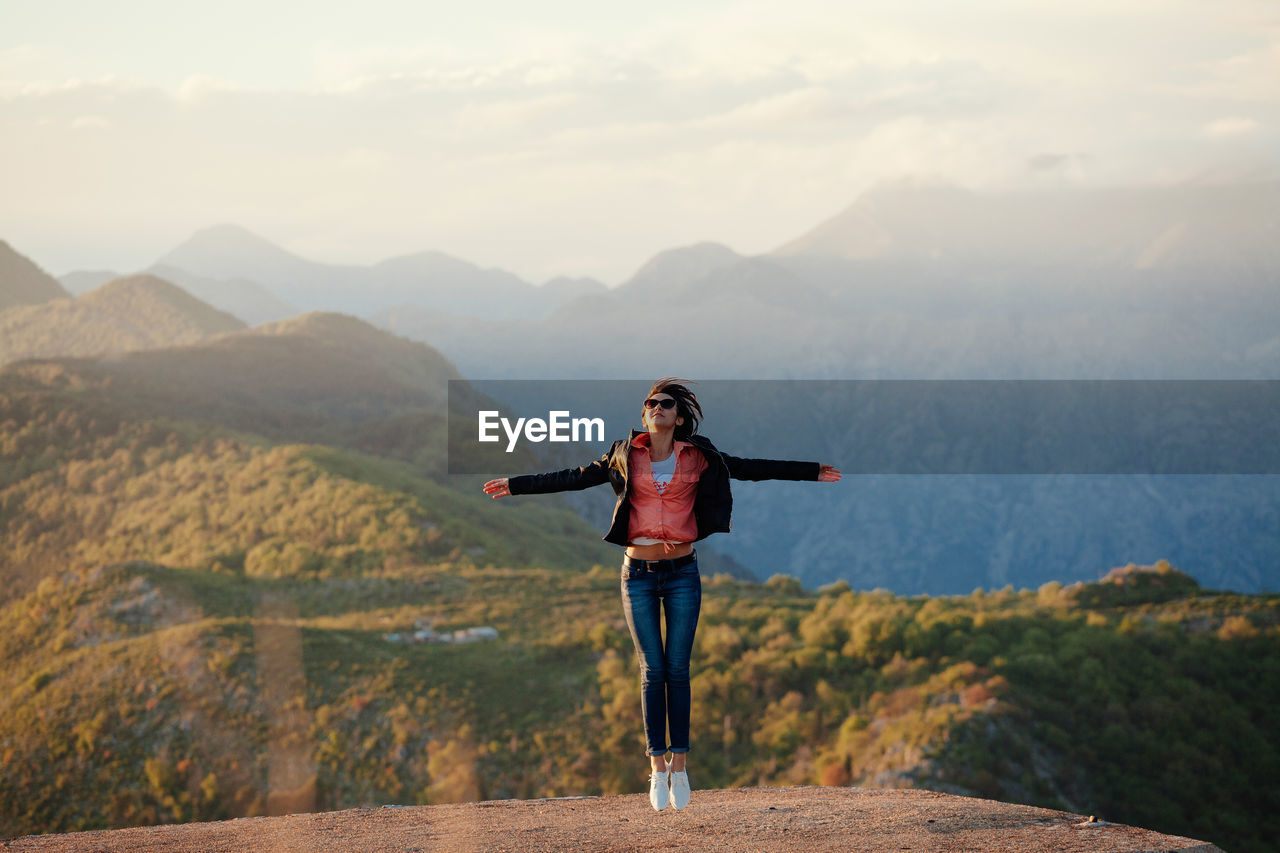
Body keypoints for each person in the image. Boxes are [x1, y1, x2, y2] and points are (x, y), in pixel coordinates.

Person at [482, 378, 841, 811]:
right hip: (637, 574)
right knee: (652, 670)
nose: (656, 408)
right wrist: (516, 484)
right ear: (644, 414)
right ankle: (656, 769)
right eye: (650, 403)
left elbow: (749, 467)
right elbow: (574, 477)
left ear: (679, 416)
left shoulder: (700, 456)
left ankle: (681, 767)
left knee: (678, 669)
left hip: (682, 573)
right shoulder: (622, 454)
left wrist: (811, 470)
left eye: (665, 403)